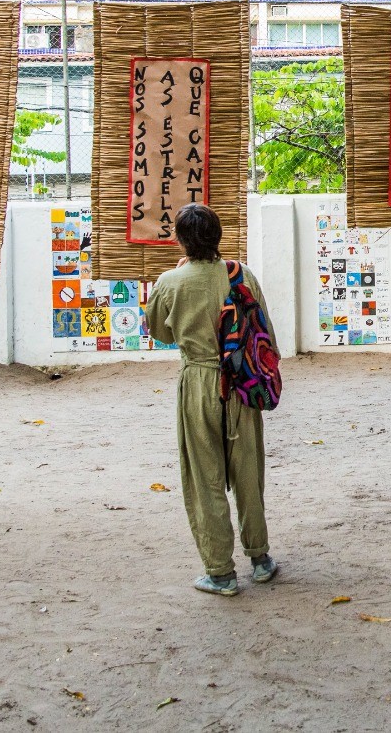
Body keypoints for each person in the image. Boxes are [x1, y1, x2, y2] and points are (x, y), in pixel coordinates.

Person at [145, 203, 277, 597]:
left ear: (180, 240)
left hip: (199, 381)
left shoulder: (169, 282)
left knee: (205, 476)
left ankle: (220, 572)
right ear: (218, 236)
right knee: (248, 471)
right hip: (241, 381)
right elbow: (264, 329)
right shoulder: (243, 274)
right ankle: (261, 559)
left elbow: (161, 333)